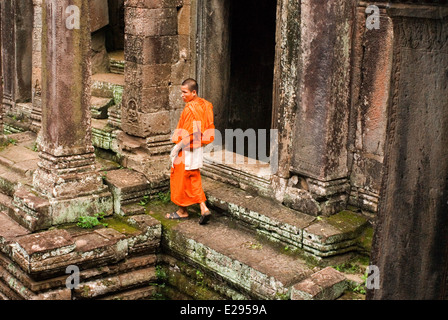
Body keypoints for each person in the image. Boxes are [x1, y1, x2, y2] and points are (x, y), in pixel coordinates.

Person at [166, 79, 214, 225]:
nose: (182, 95)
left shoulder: (190, 109)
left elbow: (191, 133)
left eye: (184, 92)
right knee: (193, 177)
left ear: (194, 92)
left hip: (187, 148)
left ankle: (182, 211)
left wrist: (177, 147)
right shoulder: (205, 105)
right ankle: (203, 208)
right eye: (181, 92)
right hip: (197, 148)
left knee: (179, 178)